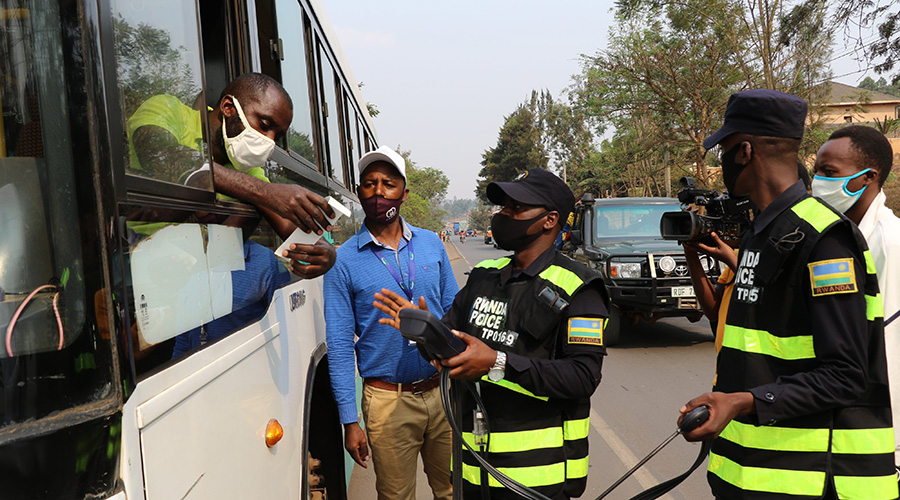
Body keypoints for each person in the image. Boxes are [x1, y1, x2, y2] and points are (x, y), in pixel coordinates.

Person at [680, 89, 897, 500]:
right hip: (751, 474)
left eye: (724, 149)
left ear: (744, 151)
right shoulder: (763, 232)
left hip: (809, 478)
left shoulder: (824, 239)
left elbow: (846, 375)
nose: (721, 161)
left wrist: (742, 402)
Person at [376, 168, 609, 500]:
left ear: (550, 220)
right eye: (503, 208)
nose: (504, 216)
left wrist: (498, 363)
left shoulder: (579, 286)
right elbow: (453, 348)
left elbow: (582, 377)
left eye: (516, 208)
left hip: (537, 479)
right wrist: (426, 331)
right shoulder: (484, 276)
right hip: (472, 472)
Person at [323, 146, 458, 500]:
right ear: (360, 193)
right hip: (387, 401)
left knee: (453, 491)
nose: (379, 192)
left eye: (388, 183)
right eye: (369, 184)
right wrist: (349, 421)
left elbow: (458, 318)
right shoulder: (343, 260)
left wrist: (425, 321)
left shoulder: (432, 244)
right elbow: (338, 345)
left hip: (441, 390)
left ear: (404, 192)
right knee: (396, 497)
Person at [128, 72, 335, 279]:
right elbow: (168, 160)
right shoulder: (169, 110)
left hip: (191, 275)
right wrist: (265, 191)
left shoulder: (246, 169)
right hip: (131, 258)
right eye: (264, 125)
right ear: (228, 108)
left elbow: (289, 224)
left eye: (277, 137)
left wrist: (324, 251)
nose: (269, 141)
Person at [812, 124, 900, 468]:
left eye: (829, 172)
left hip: (881, 434)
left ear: (868, 177)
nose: (818, 181)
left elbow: (887, 346)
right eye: (818, 170)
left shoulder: (888, 243)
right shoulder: (840, 236)